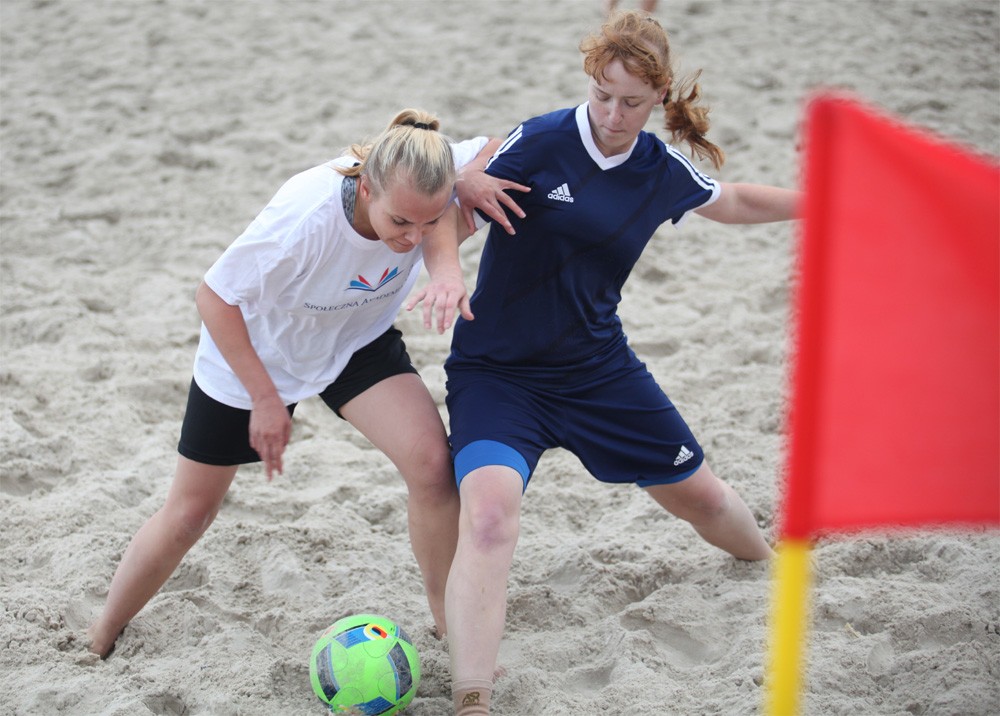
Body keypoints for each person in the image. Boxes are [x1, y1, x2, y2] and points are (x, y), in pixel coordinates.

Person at [445, 11, 799, 715]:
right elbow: (448, 198)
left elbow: (729, 201)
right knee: (488, 519)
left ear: (659, 99)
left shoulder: (657, 168)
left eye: (631, 102)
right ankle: (471, 697)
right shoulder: (541, 140)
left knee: (701, 497)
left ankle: (773, 567)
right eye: (603, 94)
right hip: (497, 374)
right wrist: (457, 200)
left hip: (597, 372)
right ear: (591, 82)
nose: (612, 113)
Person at [86, 108, 527, 659]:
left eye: (427, 223)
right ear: (366, 187)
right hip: (258, 352)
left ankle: (448, 627)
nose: (413, 237)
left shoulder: (429, 167)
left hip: (352, 340)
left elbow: (507, 141)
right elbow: (214, 298)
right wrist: (267, 400)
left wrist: (465, 182)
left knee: (434, 468)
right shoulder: (306, 215)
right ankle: (102, 634)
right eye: (400, 224)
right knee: (190, 513)